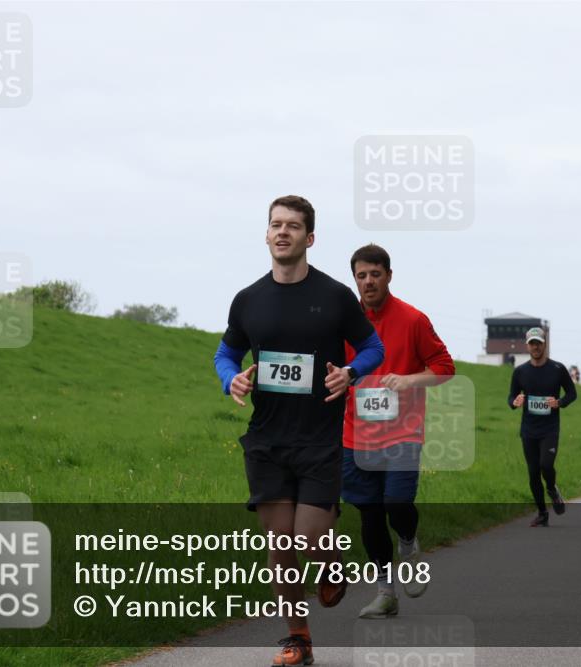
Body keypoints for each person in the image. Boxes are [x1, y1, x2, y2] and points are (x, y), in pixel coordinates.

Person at [213, 195, 385, 666]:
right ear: (267, 235)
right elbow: (225, 354)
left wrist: (350, 372)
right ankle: (298, 639)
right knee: (280, 544)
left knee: (308, 538)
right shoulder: (248, 300)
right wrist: (234, 378)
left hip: (319, 438)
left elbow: (374, 347)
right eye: (275, 225)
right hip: (267, 439)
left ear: (309, 238)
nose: (282, 232)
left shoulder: (333, 296)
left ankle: (331, 564)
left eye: (292, 226)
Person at [340, 244, 455, 620]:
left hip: (403, 432)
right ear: (354, 279)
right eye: (361, 275)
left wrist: (409, 380)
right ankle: (385, 592)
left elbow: (444, 366)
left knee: (396, 504)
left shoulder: (412, 319)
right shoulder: (343, 322)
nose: (368, 281)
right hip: (355, 435)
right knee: (370, 515)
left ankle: (408, 541)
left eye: (375, 273)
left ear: (389, 275)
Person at [509, 327, 578, 527]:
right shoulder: (520, 371)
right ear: (527, 345)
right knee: (532, 473)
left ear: (544, 344)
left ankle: (552, 489)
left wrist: (560, 402)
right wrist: (515, 401)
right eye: (532, 343)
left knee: (545, 465)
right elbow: (510, 397)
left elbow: (572, 393)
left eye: (539, 343)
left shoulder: (557, 369)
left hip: (550, 428)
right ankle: (542, 513)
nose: (536, 347)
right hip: (529, 430)